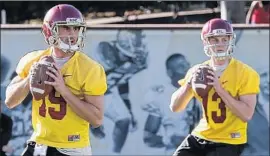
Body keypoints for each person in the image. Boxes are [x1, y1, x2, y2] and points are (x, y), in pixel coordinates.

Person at [5, 4, 107, 156]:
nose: (72, 34)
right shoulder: (33, 60)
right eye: (66, 27)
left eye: (76, 28)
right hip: (39, 144)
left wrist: (64, 90)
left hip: (72, 148)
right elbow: (10, 101)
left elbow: (96, 119)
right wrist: (29, 80)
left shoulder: (90, 68)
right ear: (49, 30)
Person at [170, 18, 260, 156]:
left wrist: (219, 89)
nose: (220, 44)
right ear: (206, 42)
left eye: (225, 39)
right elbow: (175, 107)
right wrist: (188, 84)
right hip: (201, 135)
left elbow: (246, 114)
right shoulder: (199, 70)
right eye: (215, 40)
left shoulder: (246, 73)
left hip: (229, 139)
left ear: (231, 40)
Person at [91, 30, 148, 153]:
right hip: (79, 93)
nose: (141, 47)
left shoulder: (130, 61)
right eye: (137, 43)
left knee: (124, 119)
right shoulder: (104, 53)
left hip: (103, 92)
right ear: (126, 43)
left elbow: (122, 82)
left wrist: (130, 110)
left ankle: (115, 153)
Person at [142, 53, 201, 155]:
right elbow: (148, 137)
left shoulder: (204, 90)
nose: (187, 69)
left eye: (187, 65)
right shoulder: (162, 98)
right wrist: (170, 140)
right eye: (181, 66)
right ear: (170, 73)